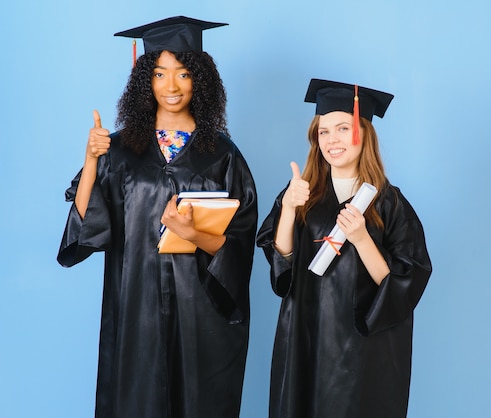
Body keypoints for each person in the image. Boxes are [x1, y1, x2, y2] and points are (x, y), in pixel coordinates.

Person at [57, 16, 257, 418]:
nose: (171, 86)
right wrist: (91, 160)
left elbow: (238, 246)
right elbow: (83, 228)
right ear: (145, 80)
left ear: (199, 79)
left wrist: (192, 233)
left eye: (183, 74)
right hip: (136, 307)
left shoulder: (222, 154)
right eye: (161, 73)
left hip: (199, 311)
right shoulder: (118, 151)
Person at [256, 78, 432, 418]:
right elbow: (282, 269)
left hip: (362, 348)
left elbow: (403, 286)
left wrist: (363, 239)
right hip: (304, 337)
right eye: (323, 131)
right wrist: (289, 209)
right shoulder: (300, 193)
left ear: (363, 133)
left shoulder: (389, 203)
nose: (332, 140)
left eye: (342, 128)